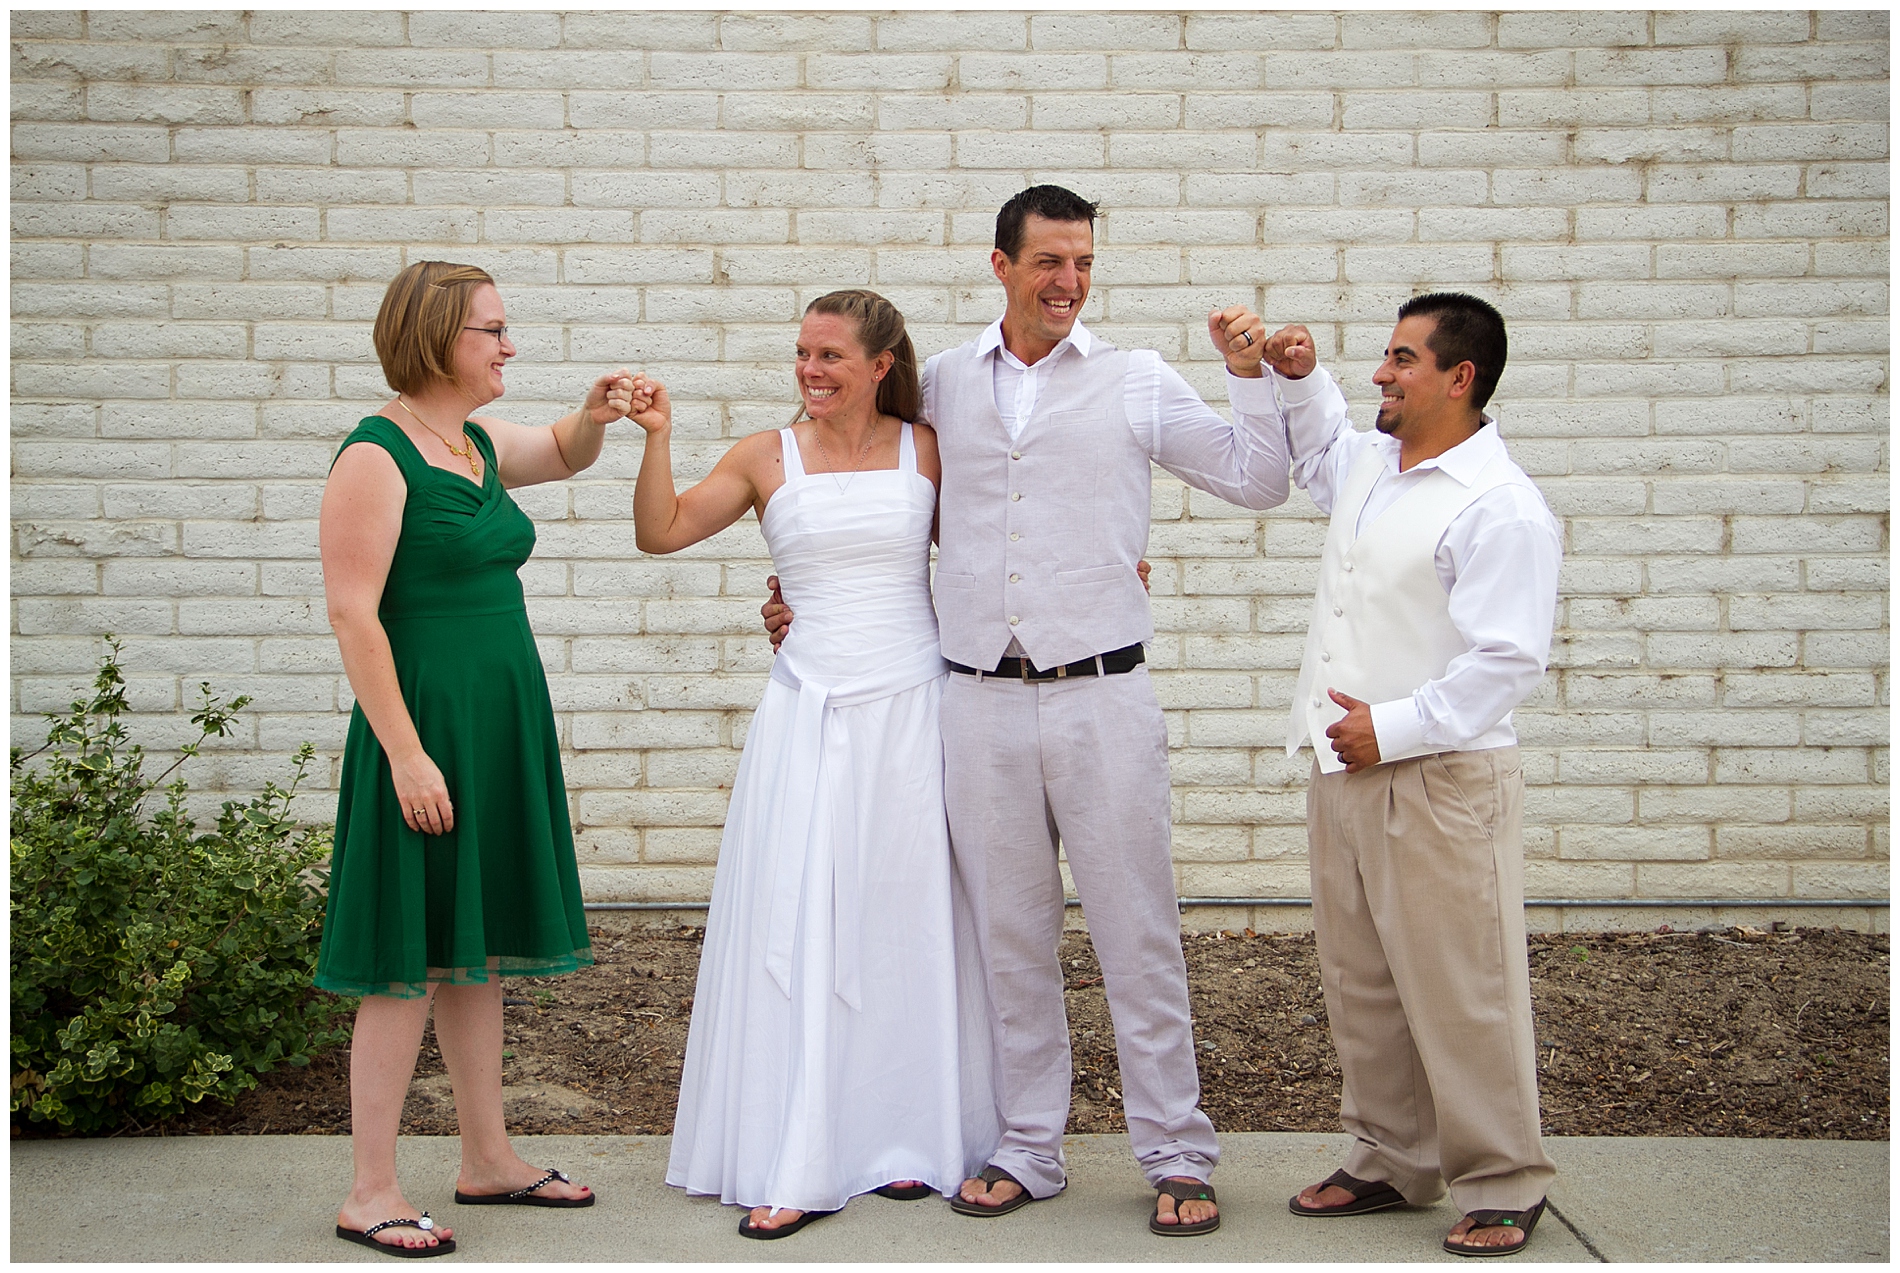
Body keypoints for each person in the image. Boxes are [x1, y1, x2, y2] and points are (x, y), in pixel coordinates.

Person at [768, 185, 1290, 1236]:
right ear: (1000, 265)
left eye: (1083, 262)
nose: (1068, 281)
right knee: (1007, 940)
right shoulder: (946, 387)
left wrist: (1252, 380)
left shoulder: (1135, 379)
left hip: (1102, 695)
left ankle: (1176, 1151)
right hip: (976, 703)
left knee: (1136, 934)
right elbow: (878, 500)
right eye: (1049, 260)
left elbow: (1257, 479)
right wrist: (802, 596)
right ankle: (1027, 1146)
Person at [638, 290, 1000, 1239]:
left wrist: (1101, 567)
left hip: (915, 707)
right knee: (802, 919)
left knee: (905, 916)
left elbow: (985, 554)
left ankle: (909, 1139)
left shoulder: (926, 447)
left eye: (831, 355)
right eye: (803, 353)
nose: (811, 370)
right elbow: (663, 530)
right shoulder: (766, 455)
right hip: (808, 712)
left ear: (881, 365)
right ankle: (796, 1150)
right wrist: (657, 435)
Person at [318, 260, 635, 1255]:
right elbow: (351, 613)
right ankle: (370, 1188)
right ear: (432, 340)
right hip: (424, 733)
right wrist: (406, 754)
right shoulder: (375, 455)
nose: (508, 346)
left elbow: (563, 453)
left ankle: (486, 1156)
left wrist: (594, 416)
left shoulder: (478, 442)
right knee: (402, 959)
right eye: (490, 332)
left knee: (477, 950)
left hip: (498, 724)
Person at [1265, 294, 1561, 1257]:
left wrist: (1389, 729)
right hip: (1343, 768)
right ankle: (1392, 1157)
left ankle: (1505, 1177)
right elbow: (1316, 455)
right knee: (1363, 981)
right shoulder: (1374, 463)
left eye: (1400, 358)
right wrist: (1299, 376)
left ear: (1459, 377)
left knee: (1461, 986)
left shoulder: (1500, 505)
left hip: (1440, 778)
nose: (1382, 373)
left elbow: (1507, 661)